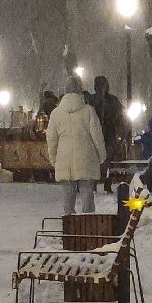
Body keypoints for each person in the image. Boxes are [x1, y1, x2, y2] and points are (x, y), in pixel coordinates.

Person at [46, 82, 107, 215]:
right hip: (86, 157)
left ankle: (69, 227)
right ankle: (88, 225)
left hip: (64, 158)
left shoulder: (56, 114)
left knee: (67, 196)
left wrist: (53, 159)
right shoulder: (89, 111)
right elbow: (97, 136)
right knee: (87, 193)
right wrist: (101, 156)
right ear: (80, 92)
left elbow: (51, 140)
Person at [91, 75, 127, 191]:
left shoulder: (94, 101)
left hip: (103, 135)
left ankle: (100, 182)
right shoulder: (112, 101)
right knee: (105, 160)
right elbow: (121, 118)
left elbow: (121, 118)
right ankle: (104, 182)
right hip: (106, 135)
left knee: (103, 160)